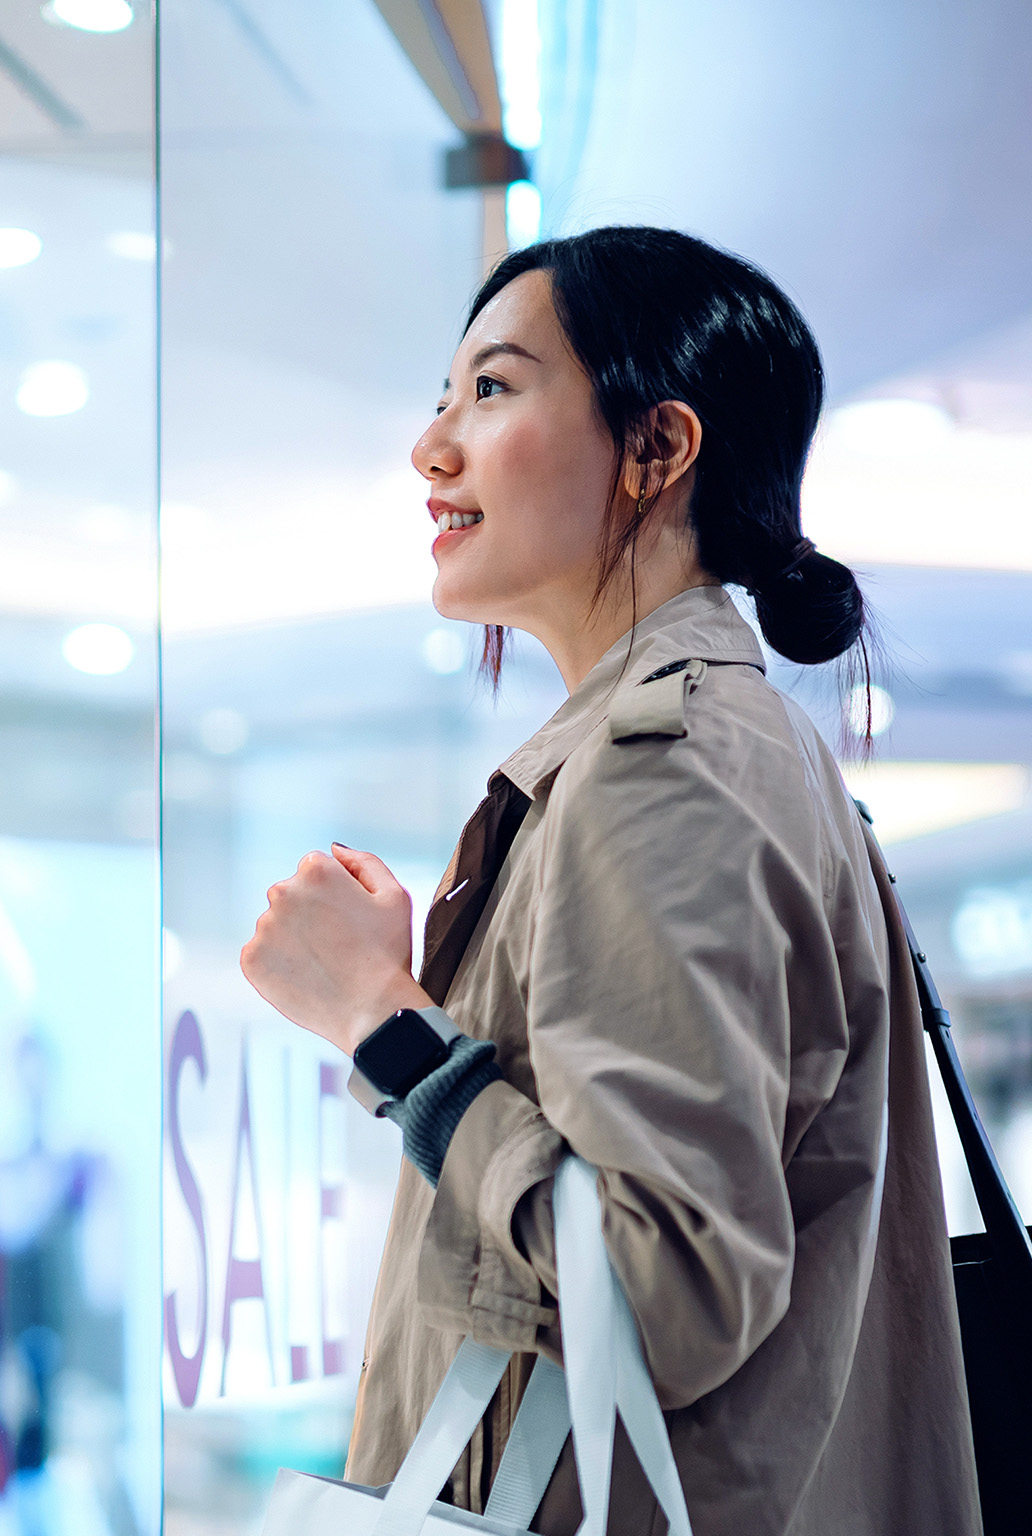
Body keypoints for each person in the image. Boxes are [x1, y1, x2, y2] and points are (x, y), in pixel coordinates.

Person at [240, 227, 979, 1534]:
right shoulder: (730, 747)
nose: (433, 448)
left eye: (495, 388)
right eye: (442, 397)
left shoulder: (665, 769)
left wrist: (380, 1022)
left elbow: (664, 1291)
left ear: (658, 449)